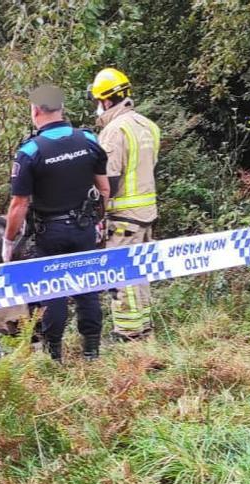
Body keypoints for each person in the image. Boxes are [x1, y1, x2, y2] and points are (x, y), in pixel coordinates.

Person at [2, 85, 109, 361]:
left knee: (54, 291)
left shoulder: (30, 151)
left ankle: (54, 355)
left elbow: (19, 204)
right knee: (87, 287)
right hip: (84, 227)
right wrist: (99, 219)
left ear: (35, 110)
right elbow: (104, 189)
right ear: (62, 108)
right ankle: (91, 352)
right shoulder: (88, 140)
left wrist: (8, 240)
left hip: (50, 232)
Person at [91, 67, 161, 341]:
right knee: (140, 272)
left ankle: (128, 334)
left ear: (106, 101)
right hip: (146, 212)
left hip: (124, 215)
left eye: (98, 101)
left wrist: (98, 215)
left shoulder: (114, 131)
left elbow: (109, 180)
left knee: (121, 274)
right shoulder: (148, 126)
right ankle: (144, 330)